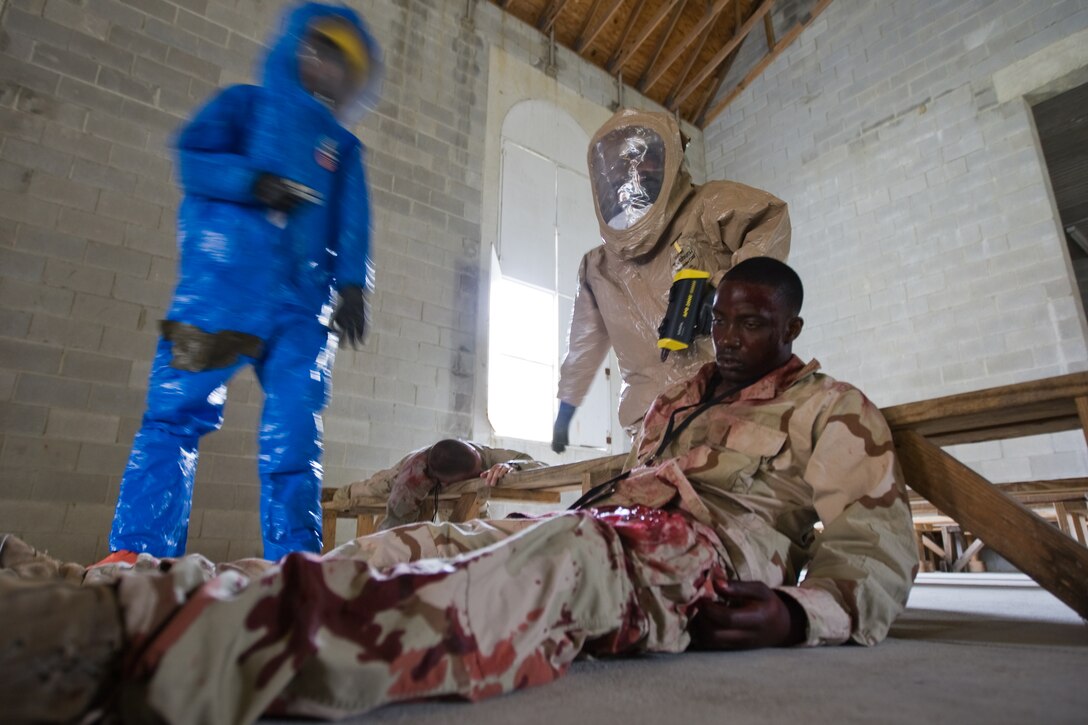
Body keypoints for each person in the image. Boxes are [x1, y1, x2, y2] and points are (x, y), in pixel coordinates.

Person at [0, 259, 917, 724]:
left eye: (753, 318)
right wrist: (481, 459)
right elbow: (602, 469)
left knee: (559, 561)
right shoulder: (676, 400)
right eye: (720, 315)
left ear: (793, 323)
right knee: (405, 548)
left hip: (692, 556)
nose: (729, 331)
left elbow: (875, 542)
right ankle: (121, 589)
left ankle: (123, 647)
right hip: (608, 515)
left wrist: (802, 615)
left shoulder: (828, 405)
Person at [103, 3, 383, 564]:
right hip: (220, 293)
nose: (325, 67)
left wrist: (353, 285)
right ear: (297, 46)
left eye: (340, 64)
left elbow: (353, 221)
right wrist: (252, 182)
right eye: (319, 50)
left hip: (303, 311)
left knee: (295, 438)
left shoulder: (342, 149)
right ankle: (138, 555)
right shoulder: (242, 105)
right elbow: (194, 158)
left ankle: (295, 564)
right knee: (174, 415)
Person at [553, 108, 791, 453]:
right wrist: (565, 411)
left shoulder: (706, 206)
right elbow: (582, 347)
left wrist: (726, 295)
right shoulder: (598, 267)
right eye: (622, 168)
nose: (633, 174)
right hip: (650, 426)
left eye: (644, 161)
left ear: (669, 159)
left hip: (730, 402)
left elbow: (770, 221)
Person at [332, 439, 544, 529]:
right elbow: (394, 525)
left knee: (475, 528)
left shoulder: (483, 455)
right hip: (406, 471)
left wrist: (512, 466)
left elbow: (540, 464)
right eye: (472, 474)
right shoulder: (410, 481)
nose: (481, 473)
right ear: (443, 480)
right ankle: (343, 492)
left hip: (453, 484)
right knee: (372, 488)